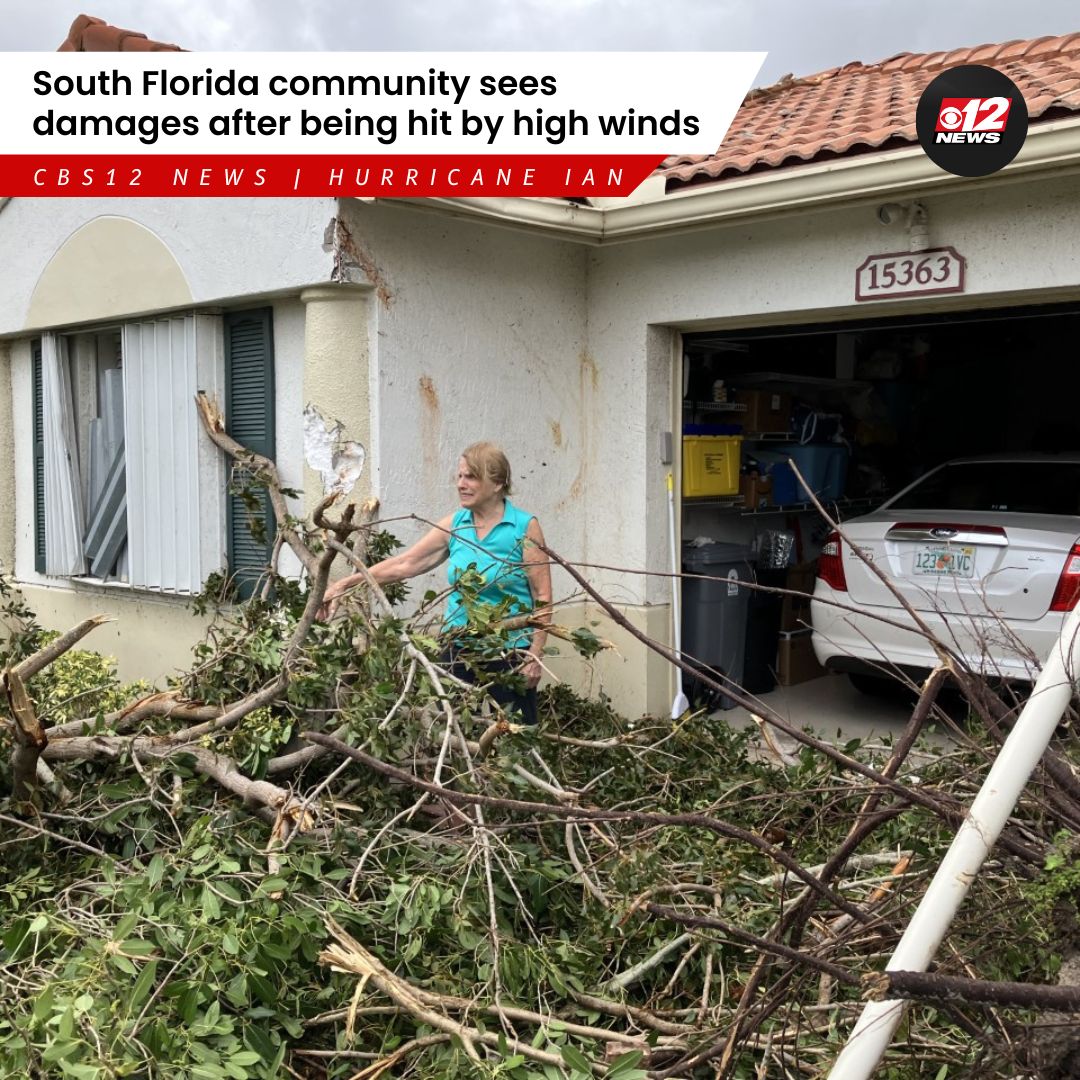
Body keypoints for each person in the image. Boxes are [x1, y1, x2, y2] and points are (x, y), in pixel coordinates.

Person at [320, 442, 552, 724]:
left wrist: (534, 655)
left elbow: (542, 596)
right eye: (460, 476)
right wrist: (346, 584)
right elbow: (405, 564)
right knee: (457, 738)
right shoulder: (456, 524)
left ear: (498, 483)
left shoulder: (524, 527)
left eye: (471, 477)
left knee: (517, 739)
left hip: (510, 651)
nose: (461, 484)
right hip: (458, 650)